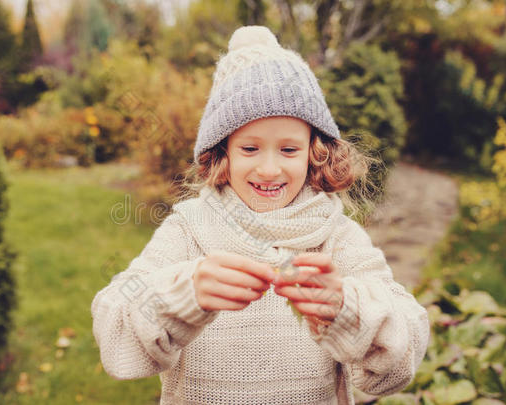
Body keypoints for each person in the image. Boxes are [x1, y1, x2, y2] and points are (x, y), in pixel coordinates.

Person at [91, 25, 429, 405]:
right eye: (250, 148)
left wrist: (346, 309)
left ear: (314, 153)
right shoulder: (191, 230)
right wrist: (182, 295)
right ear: (223, 153)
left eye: (288, 150)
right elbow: (115, 330)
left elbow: (402, 355)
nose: (269, 169)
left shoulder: (334, 236)